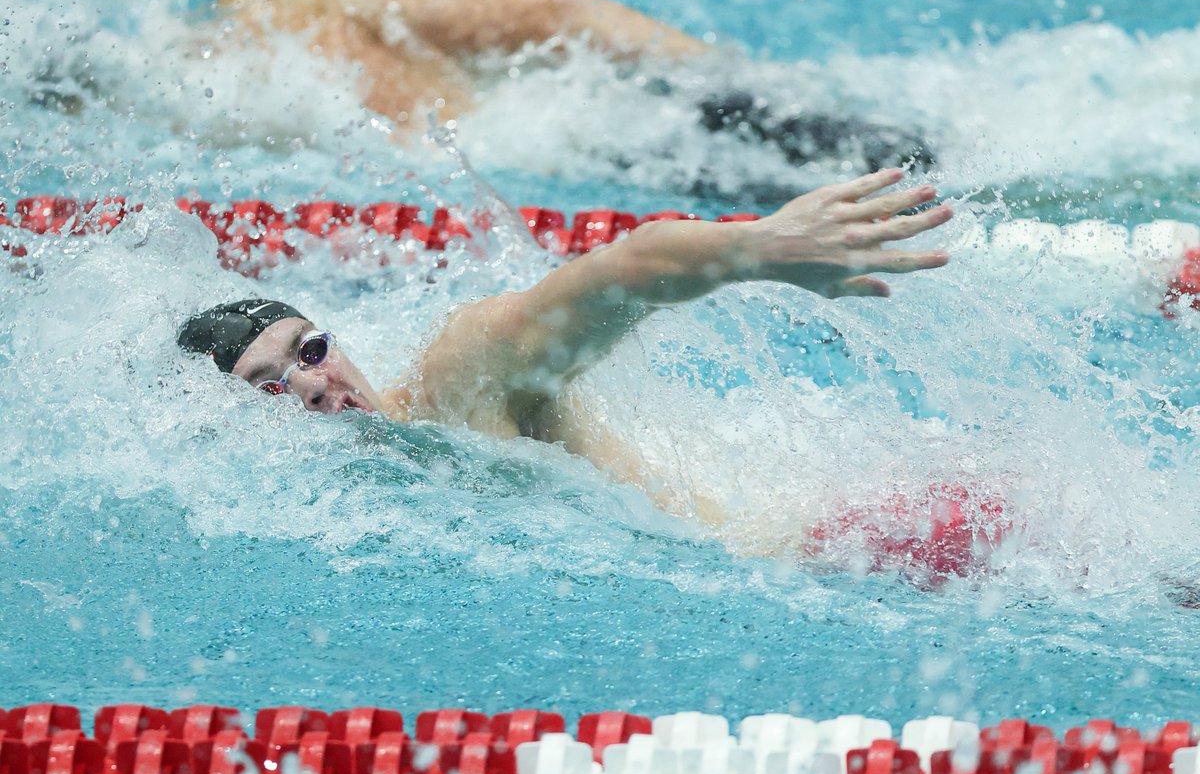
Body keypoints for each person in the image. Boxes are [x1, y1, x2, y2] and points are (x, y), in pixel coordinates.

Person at [178, 168, 952, 520]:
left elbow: (625, 268)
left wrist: (766, 246)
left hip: (839, 546)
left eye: (310, 351)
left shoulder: (460, 380)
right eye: (268, 387)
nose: (310, 383)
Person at [215, 0, 935, 174]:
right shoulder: (308, 14)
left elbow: (566, 12)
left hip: (584, 133)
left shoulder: (319, 12)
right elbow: (569, 11)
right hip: (626, 116)